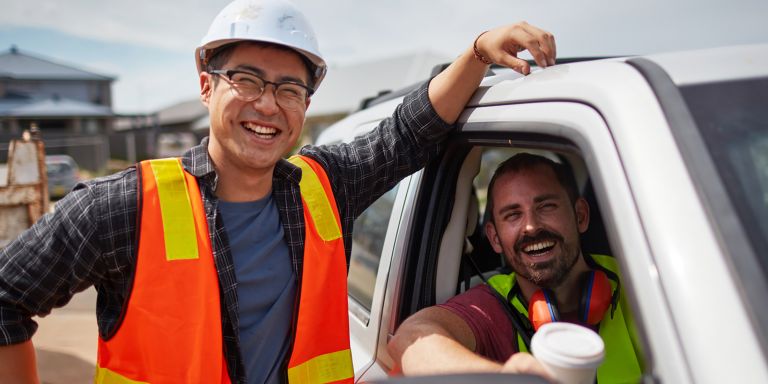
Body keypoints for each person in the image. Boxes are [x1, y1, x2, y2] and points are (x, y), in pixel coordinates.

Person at [0, 0, 557, 382]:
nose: (268, 104)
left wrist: (479, 51)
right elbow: (6, 299)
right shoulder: (122, 207)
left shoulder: (321, 188)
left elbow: (408, 134)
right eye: (247, 80)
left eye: (289, 88)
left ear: (305, 107)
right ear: (205, 87)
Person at [388, 153, 643, 383]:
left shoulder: (638, 282)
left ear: (580, 216)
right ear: (495, 238)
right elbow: (411, 338)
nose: (531, 226)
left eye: (546, 206)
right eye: (513, 215)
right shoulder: (491, 305)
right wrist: (501, 379)